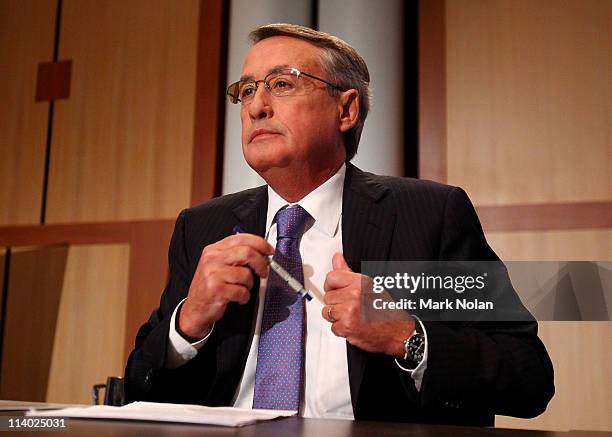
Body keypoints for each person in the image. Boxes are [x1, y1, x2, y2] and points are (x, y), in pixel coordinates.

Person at [124, 23, 554, 425]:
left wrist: (407, 335)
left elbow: (529, 377)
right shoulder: (203, 226)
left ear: (345, 109)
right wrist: (189, 322)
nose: (256, 106)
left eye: (281, 84)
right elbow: (136, 387)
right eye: (247, 90)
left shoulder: (428, 216)